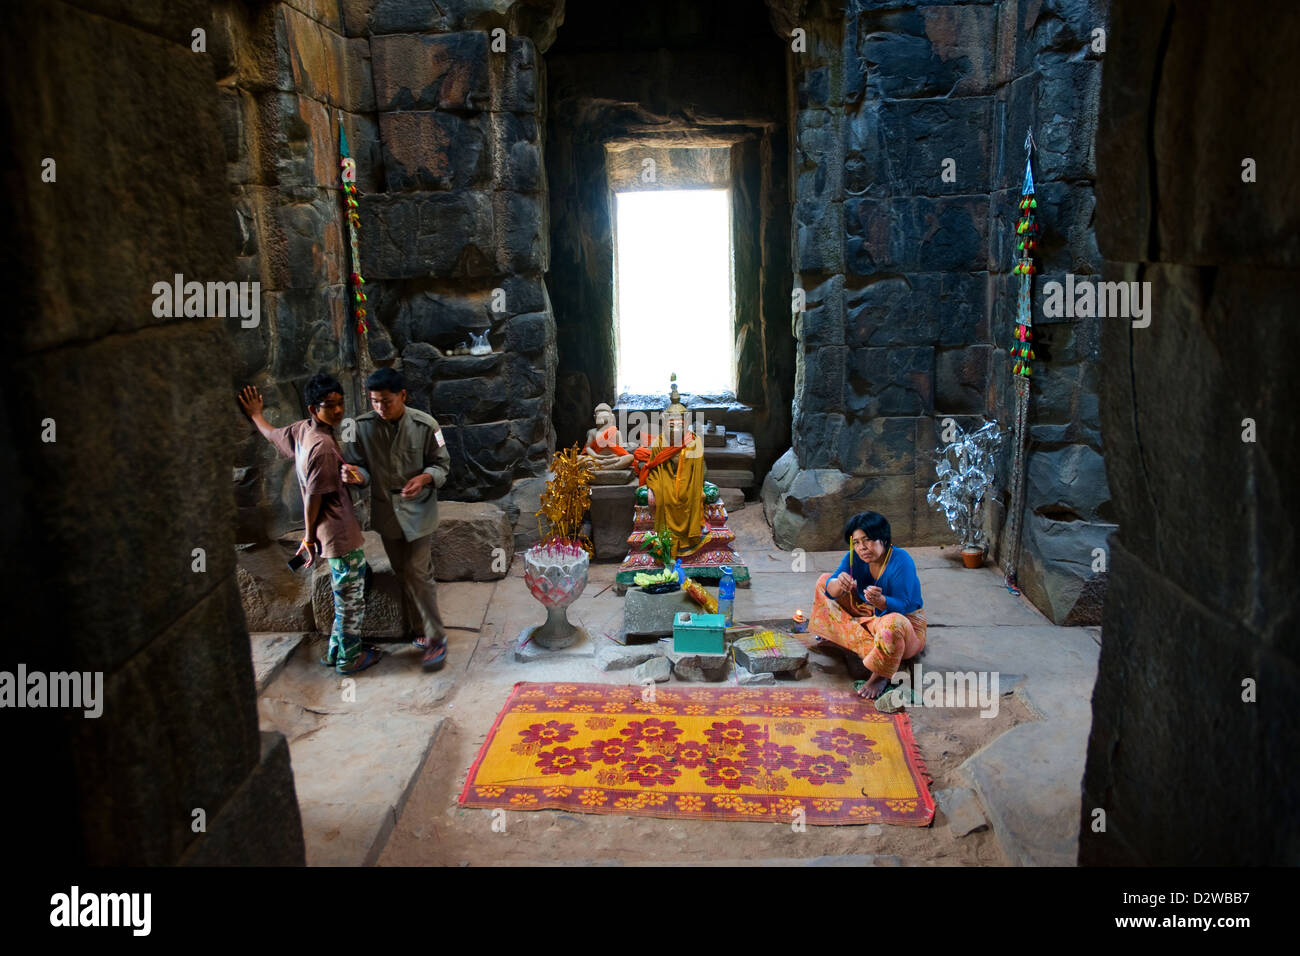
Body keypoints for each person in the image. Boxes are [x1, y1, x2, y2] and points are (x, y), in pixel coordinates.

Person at [238, 374, 382, 675]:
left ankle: (334, 652)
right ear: (311, 409)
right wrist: (307, 537)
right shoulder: (323, 448)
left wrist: (256, 416)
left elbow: (273, 435)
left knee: (344, 594)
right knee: (351, 603)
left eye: (340, 403)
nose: (338, 410)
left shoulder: (302, 432)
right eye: (329, 406)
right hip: (339, 535)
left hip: (329, 535)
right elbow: (313, 500)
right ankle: (349, 660)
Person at [341, 367, 453, 671]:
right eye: (375, 401)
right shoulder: (360, 427)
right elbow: (360, 469)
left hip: (419, 509)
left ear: (402, 395)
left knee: (418, 572)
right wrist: (354, 475)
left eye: (386, 401)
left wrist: (425, 477)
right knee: (403, 572)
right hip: (386, 512)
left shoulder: (426, 425)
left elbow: (442, 465)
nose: (380, 407)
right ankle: (420, 629)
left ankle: (435, 639)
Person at [808, 511, 927, 700]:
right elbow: (829, 588)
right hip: (870, 612)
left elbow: (903, 606)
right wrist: (840, 582)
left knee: (892, 624)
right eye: (856, 542)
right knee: (823, 581)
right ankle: (875, 648)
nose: (862, 547)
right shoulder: (854, 557)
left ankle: (881, 674)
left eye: (868, 540)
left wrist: (882, 601)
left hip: (905, 625)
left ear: (883, 539)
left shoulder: (901, 561)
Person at [631, 383, 707, 559]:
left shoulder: (694, 443)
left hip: (688, 483)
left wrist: (690, 486)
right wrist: (658, 486)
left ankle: (688, 539)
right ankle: (665, 542)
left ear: (686, 424)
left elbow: (699, 472)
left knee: (689, 496)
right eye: (671, 424)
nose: (675, 428)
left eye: (679, 424)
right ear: (665, 423)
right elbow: (656, 469)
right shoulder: (659, 442)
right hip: (665, 480)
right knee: (664, 496)